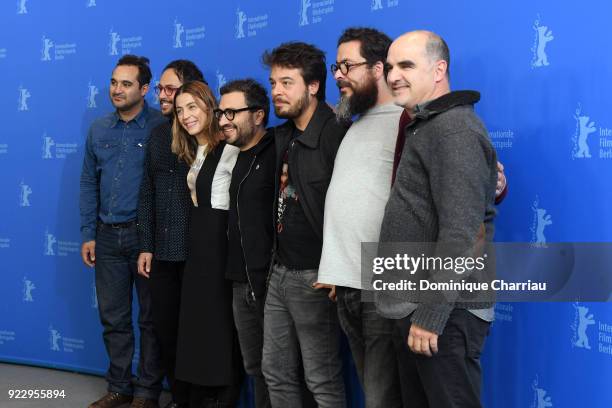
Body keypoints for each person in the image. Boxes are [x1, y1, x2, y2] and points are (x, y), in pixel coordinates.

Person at [377, 30, 497, 407]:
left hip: (444, 313)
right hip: (420, 308)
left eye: (407, 65)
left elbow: (464, 232)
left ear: (439, 69)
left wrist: (431, 314)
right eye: (391, 66)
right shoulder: (428, 124)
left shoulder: (453, 129)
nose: (394, 74)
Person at [317, 27, 404, 408]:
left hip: (383, 286)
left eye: (347, 65)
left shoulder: (406, 121)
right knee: (374, 391)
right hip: (349, 284)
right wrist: (338, 270)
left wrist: (497, 181)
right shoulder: (353, 124)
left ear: (378, 68)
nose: (338, 75)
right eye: (336, 67)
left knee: (383, 399)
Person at [261, 41, 347, 408]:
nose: (276, 92)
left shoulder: (336, 133)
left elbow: (352, 207)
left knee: (321, 380)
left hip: (316, 275)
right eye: (273, 83)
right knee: (275, 372)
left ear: (313, 86)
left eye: (287, 83)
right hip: (279, 271)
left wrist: (335, 268)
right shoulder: (283, 134)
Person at [80, 55, 165, 408]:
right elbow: (88, 182)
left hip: (146, 238)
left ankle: (146, 393)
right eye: (114, 82)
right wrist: (88, 233)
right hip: (107, 236)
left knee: (150, 320)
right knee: (113, 318)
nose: (117, 89)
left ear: (144, 89)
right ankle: (119, 387)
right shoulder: (99, 129)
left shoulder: (161, 126)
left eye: (126, 84)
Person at [136, 60, 206, 408]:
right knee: (166, 333)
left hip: (198, 255)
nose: (162, 96)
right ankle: (179, 399)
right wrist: (146, 245)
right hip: (162, 253)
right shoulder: (158, 135)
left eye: (170, 89)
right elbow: (147, 191)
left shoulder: (207, 134)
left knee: (198, 336)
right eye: (160, 89)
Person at [171, 81, 243, 408]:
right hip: (197, 244)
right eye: (179, 110)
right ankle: (200, 395)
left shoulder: (229, 148)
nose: (186, 116)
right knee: (199, 324)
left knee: (219, 325)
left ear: (209, 107)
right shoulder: (195, 150)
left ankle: (222, 396)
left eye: (192, 107)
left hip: (219, 244)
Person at [217, 79, 275, 408]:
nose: (223, 120)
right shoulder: (231, 156)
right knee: (255, 367)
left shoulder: (278, 148)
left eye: (231, 112)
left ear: (258, 115)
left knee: (282, 368)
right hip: (240, 281)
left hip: (272, 281)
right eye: (220, 112)